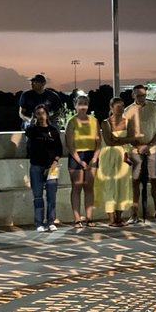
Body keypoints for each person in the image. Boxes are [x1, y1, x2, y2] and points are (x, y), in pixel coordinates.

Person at [123, 84, 156, 222]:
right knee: (135, 181)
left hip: (154, 150)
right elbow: (127, 132)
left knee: (155, 180)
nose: (141, 98)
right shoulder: (128, 111)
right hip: (136, 150)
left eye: (143, 95)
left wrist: (149, 145)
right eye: (138, 95)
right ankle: (134, 213)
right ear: (133, 95)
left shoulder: (155, 107)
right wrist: (139, 145)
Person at [96, 96, 135, 226]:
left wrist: (119, 140)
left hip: (123, 157)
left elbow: (133, 139)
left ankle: (119, 216)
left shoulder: (128, 122)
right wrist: (125, 140)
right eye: (118, 106)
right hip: (108, 157)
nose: (121, 109)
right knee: (109, 186)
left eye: (123, 106)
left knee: (122, 186)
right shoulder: (106, 123)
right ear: (112, 108)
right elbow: (108, 141)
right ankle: (112, 218)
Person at [64, 94, 100, 228]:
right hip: (76, 156)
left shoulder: (94, 121)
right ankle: (77, 219)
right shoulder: (72, 122)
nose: (83, 106)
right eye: (80, 103)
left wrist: (94, 158)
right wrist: (80, 161)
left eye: (85, 103)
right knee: (77, 187)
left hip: (92, 155)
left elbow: (98, 141)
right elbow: (69, 144)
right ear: (75, 105)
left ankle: (89, 218)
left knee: (89, 188)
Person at [25, 104, 62, 232]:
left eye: (43, 113)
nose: (41, 116)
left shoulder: (53, 130)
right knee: (38, 195)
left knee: (51, 195)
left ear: (47, 114)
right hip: (36, 165)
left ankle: (51, 221)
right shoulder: (33, 130)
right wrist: (32, 122)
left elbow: (59, 149)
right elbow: (28, 133)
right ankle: (39, 222)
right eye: (38, 113)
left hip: (51, 166)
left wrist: (55, 162)